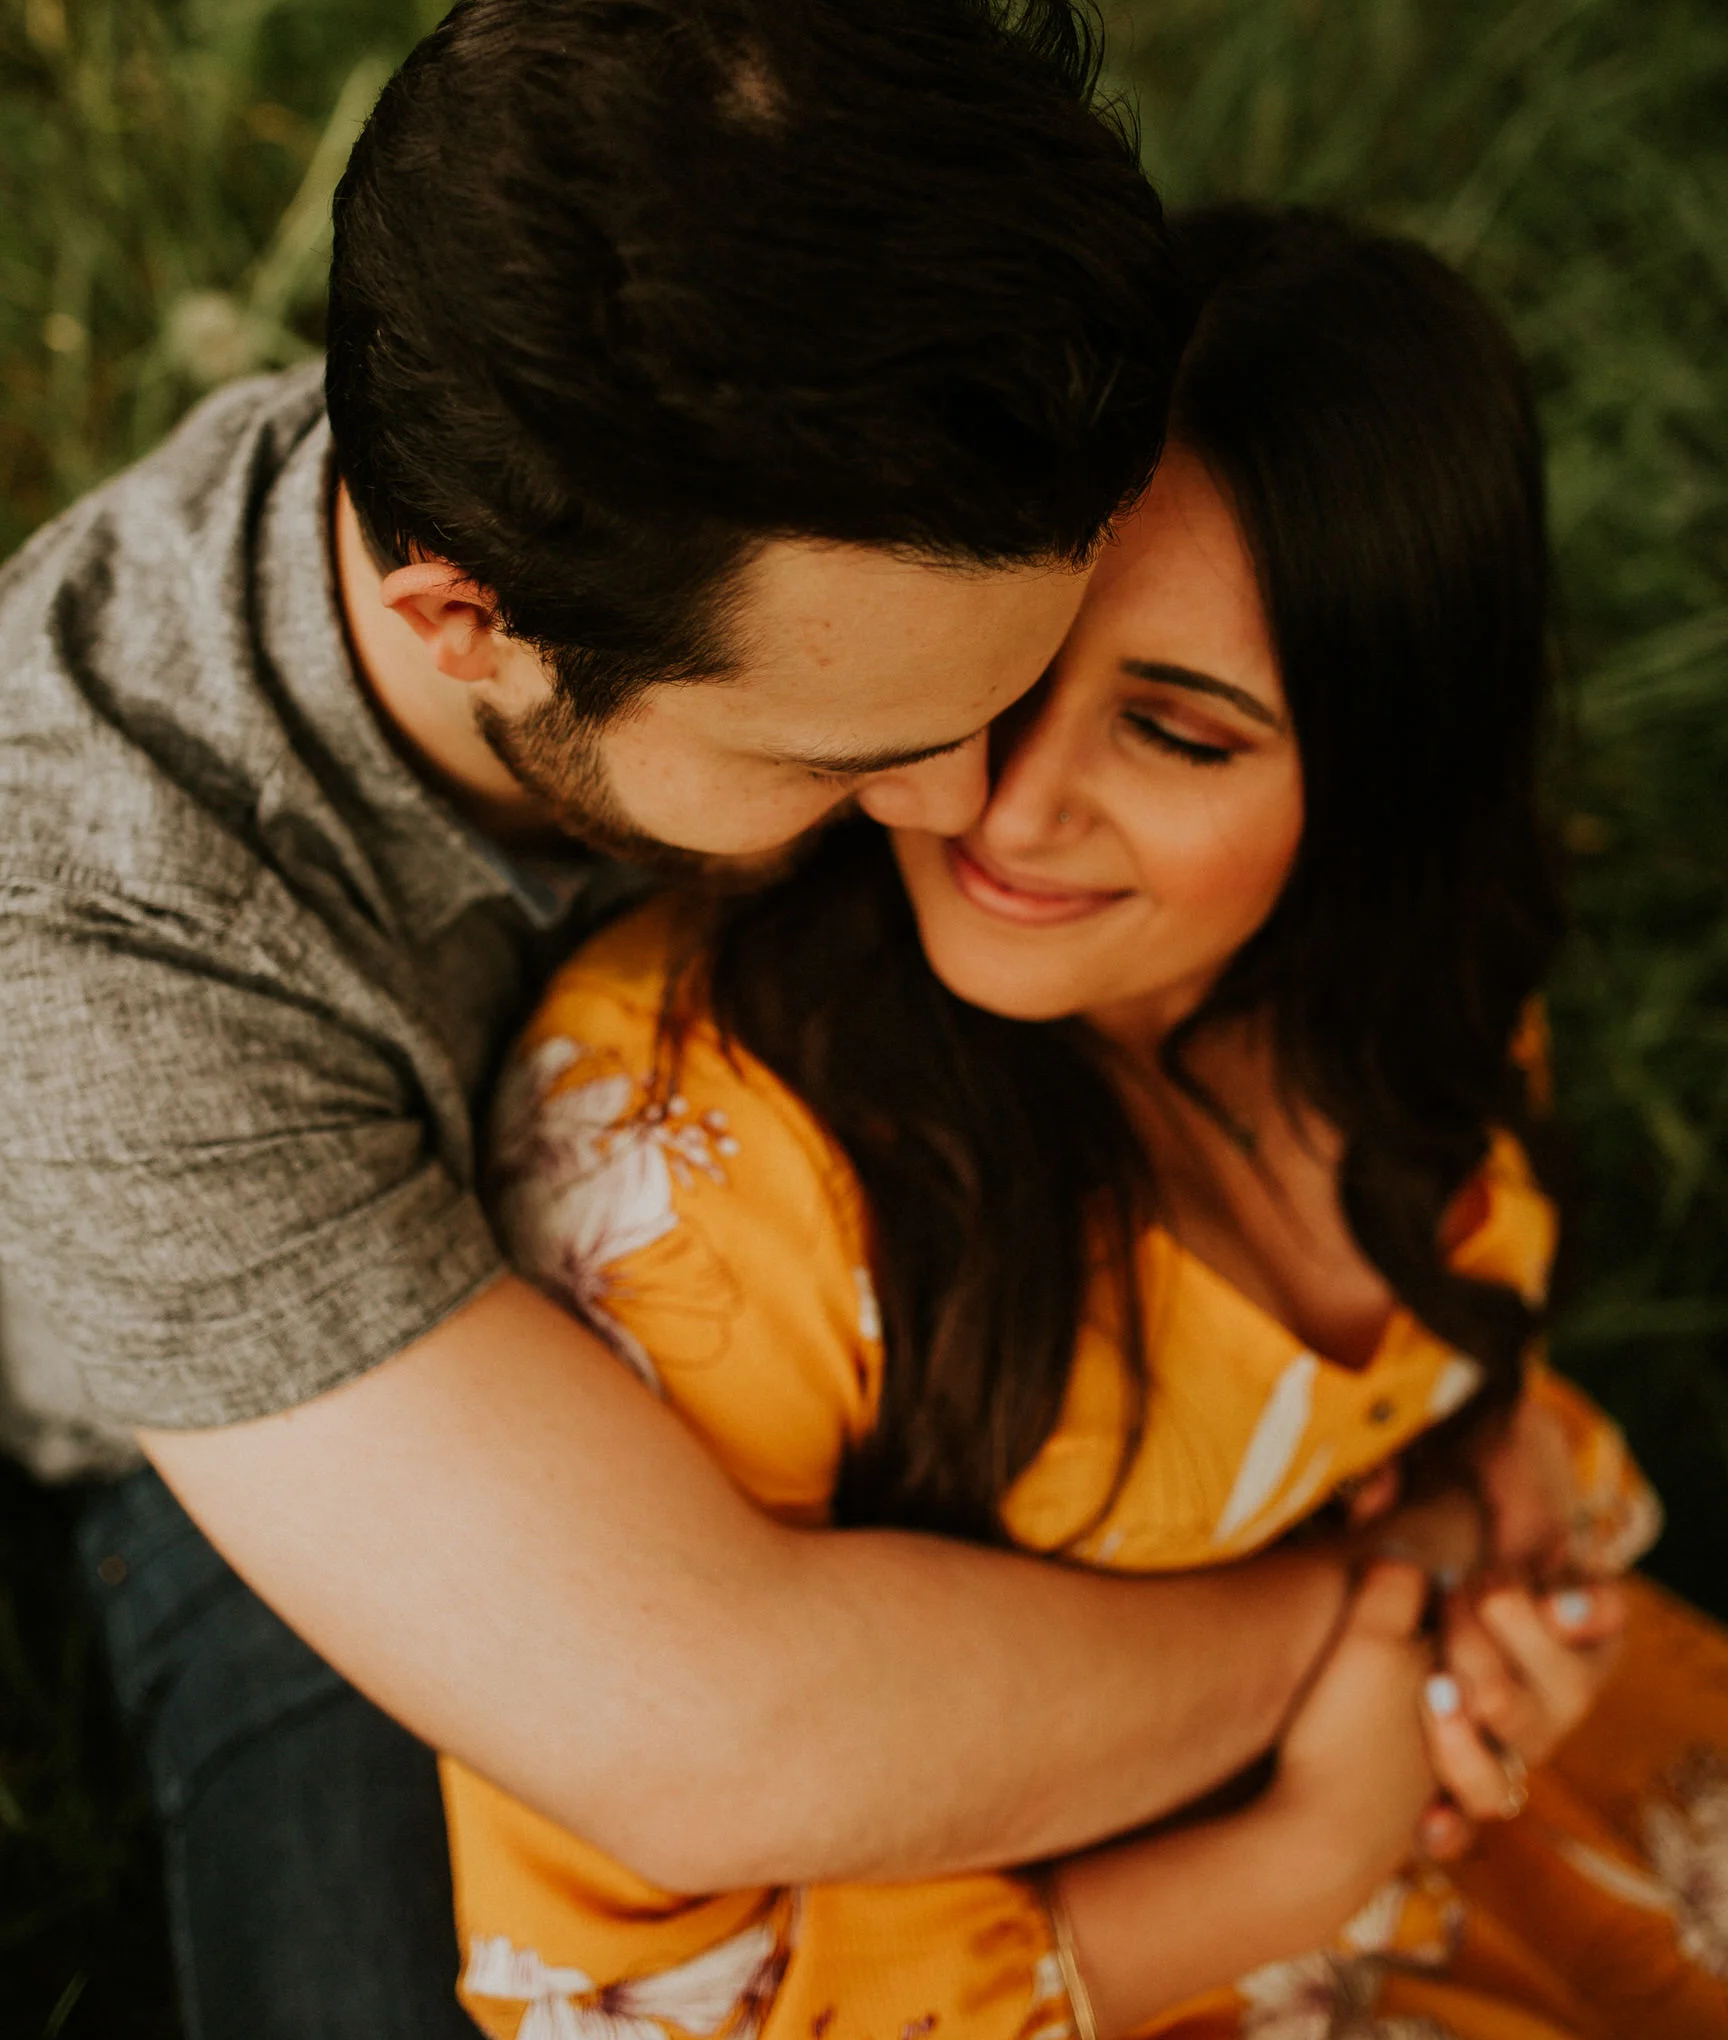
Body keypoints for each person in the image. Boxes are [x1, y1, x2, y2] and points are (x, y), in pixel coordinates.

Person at [0, 0, 1367, 2040]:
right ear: (463, 621)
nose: (964, 812)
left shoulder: (842, 407)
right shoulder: (97, 946)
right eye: (849, 754)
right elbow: (706, 1723)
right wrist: (1346, 1630)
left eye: (1026, 681)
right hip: (302, 1409)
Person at [444, 207, 1728, 2039]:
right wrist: (1300, 1855)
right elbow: (628, 2002)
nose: (1006, 800)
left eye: (1177, 736)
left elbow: (1468, 1434)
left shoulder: (1401, 986)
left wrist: (1471, 1560)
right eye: (1008, 662)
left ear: (1388, 774)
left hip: (1538, 1800)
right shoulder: (697, 1163)